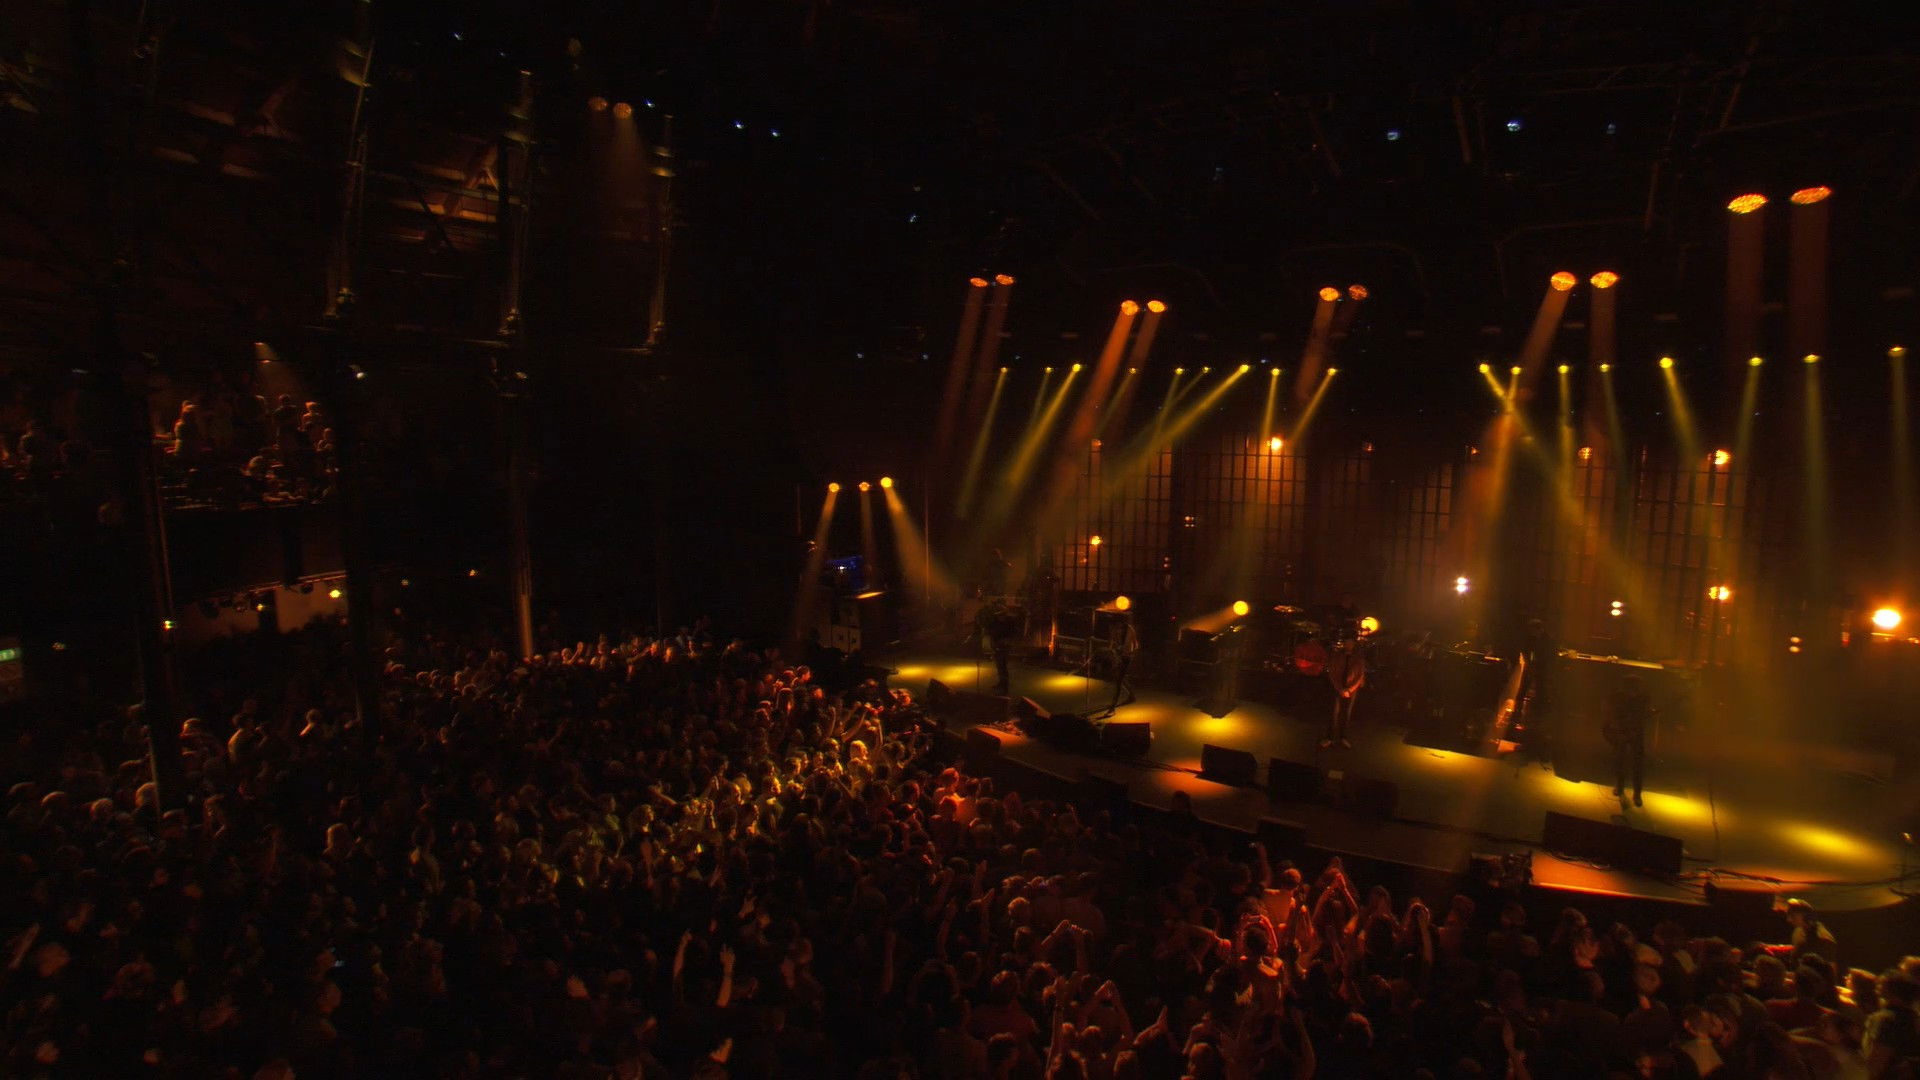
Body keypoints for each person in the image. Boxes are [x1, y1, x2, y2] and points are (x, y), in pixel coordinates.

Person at [1606, 672, 1652, 806]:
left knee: (1636, 763)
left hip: (1635, 732)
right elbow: (1612, 713)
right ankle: (1622, 788)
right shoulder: (1618, 697)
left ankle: (1636, 793)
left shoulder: (1643, 698)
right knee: (1621, 759)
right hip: (1623, 731)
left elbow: (1644, 714)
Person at [1322, 635, 1365, 749]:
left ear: (1354, 644)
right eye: (1347, 642)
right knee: (1334, 713)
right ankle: (1330, 737)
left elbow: (1360, 675)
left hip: (1351, 689)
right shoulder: (1337, 656)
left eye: (1350, 642)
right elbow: (1332, 672)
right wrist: (1339, 688)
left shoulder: (1358, 658)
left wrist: (1350, 689)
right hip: (1338, 687)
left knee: (1346, 713)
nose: (1348, 645)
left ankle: (1343, 737)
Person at [970, 598, 1018, 695]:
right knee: (999, 665)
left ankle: (1004, 685)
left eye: (1001, 614)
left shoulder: (1009, 621)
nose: (999, 616)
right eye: (998, 614)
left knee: (1003, 665)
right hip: (997, 644)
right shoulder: (995, 621)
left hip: (1005, 645)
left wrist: (1007, 641)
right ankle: (1001, 683)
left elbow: (1013, 633)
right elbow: (990, 630)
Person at [1106, 611, 1139, 715]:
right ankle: (1131, 695)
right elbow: (1111, 642)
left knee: (1118, 681)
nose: (1118, 628)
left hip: (1126, 657)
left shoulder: (1129, 629)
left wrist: (1129, 653)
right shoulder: (1114, 629)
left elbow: (1135, 644)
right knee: (1120, 678)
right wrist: (1112, 651)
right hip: (1118, 656)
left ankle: (1112, 707)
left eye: (1119, 625)